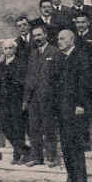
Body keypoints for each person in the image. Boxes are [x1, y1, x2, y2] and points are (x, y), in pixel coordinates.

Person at [23, 25, 61, 167]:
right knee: (34, 128)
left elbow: (58, 78)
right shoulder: (33, 54)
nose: (37, 38)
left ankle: (51, 157)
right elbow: (29, 77)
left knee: (48, 127)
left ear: (45, 35)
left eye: (39, 35)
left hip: (48, 98)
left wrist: (55, 97)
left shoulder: (54, 52)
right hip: (33, 98)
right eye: (35, 36)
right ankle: (36, 157)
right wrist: (26, 99)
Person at [56, 30, 89, 182]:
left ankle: (82, 181)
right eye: (58, 39)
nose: (59, 41)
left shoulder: (80, 56)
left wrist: (81, 104)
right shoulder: (61, 58)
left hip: (76, 108)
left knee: (76, 144)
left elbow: (85, 83)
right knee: (65, 144)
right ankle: (71, 177)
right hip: (62, 108)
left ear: (71, 40)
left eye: (62, 39)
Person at [0, 40, 28, 164]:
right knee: (5, 127)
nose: (8, 51)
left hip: (15, 101)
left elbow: (21, 82)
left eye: (10, 48)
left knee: (17, 128)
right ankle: (24, 150)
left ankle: (18, 154)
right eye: (6, 49)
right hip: (3, 102)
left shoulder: (20, 63)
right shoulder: (1, 65)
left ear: (14, 49)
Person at [73, 12, 92, 150]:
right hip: (77, 77)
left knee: (90, 108)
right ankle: (84, 141)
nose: (80, 25)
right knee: (80, 109)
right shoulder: (73, 38)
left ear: (88, 23)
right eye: (78, 22)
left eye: (83, 22)